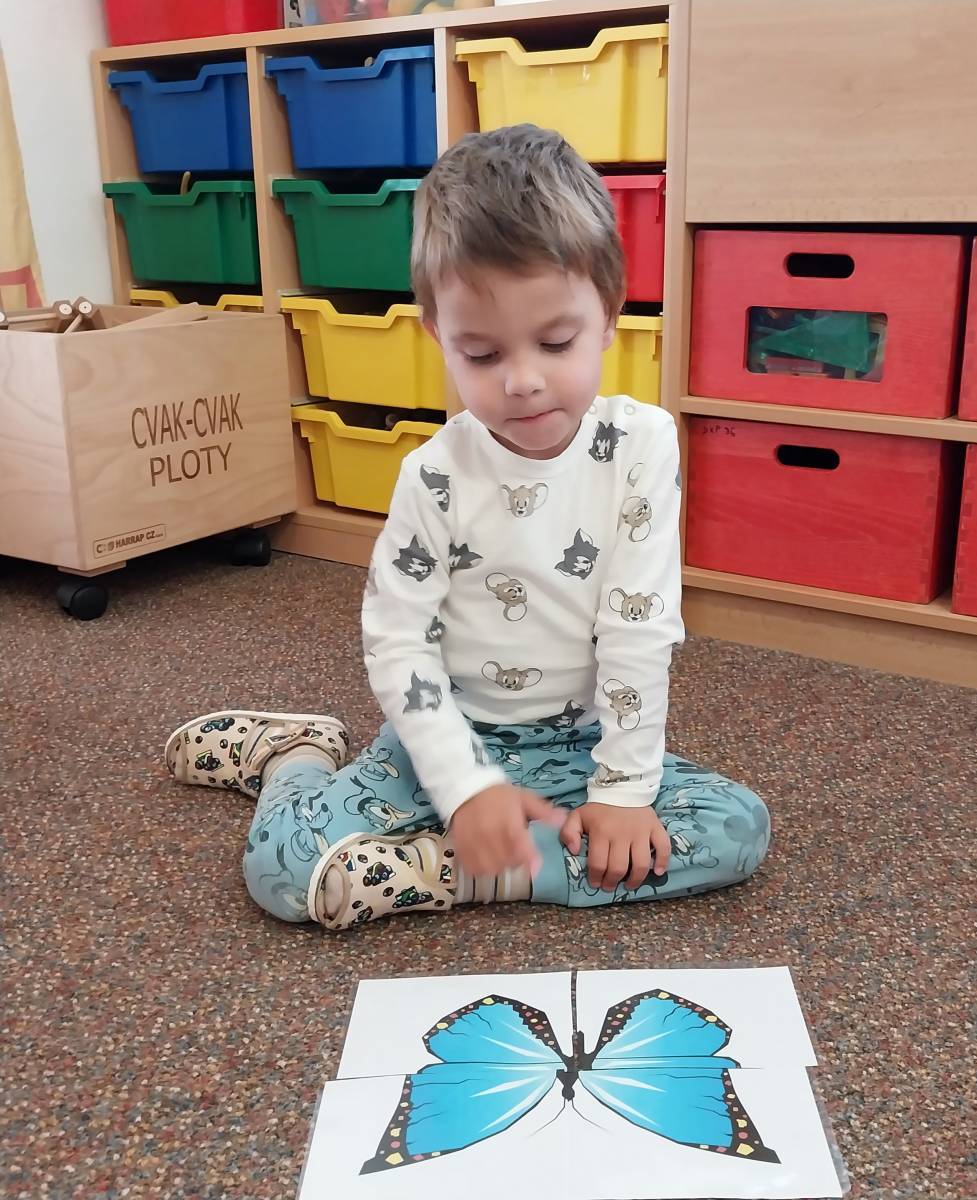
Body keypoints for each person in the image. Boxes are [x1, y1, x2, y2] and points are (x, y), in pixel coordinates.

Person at [163, 125, 771, 930]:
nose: (523, 380)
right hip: (445, 739)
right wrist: (465, 788)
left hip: (580, 747)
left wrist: (623, 793)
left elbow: (638, 627)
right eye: (481, 355)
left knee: (735, 827)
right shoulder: (434, 475)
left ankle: (453, 873)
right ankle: (294, 757)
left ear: (609, 313)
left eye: (556, 342)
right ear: (437, 337)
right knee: (283, 869)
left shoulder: (644, 445)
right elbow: (398, 641)